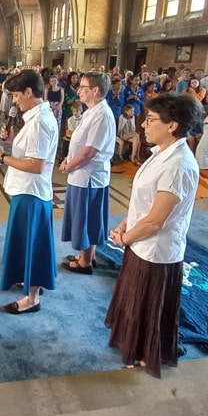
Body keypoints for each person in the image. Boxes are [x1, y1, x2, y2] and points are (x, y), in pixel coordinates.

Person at [106, 93, 202, 378]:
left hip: (156, 248)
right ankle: (133, 344)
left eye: (150, 120)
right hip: (140, 241)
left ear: (172, 125)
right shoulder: (161, 153)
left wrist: (126, 237)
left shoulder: (178, 165)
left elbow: (157, 220)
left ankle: (148, 352)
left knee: (148, 304)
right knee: (135, 297)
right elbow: (145, 203)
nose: (143, 125)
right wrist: (125, 224)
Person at [0, 69, 58, 314]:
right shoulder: (34, 117)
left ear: (29, 92)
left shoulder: (40, 122)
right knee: (26, 243)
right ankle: (28, 279)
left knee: (33, 246)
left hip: (32, 193)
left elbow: (36, 165)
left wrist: (1, 157)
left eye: (16, 95)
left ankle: (32, 298)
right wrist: (11, 139)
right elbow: (28, 152)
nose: (13, 101)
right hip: (26, 190)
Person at [59, 72, 116, 274]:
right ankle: (87, 256)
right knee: (84, 216)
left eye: (83, 87)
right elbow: (80, 143)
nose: (78, 90)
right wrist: (68, 158)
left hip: (89, 176)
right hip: (81, 173)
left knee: (86, 217)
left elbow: (90, 151)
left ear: (95, 90)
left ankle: (84, 263)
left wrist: (69, 165)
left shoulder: (102, 115)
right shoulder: (91, 111)